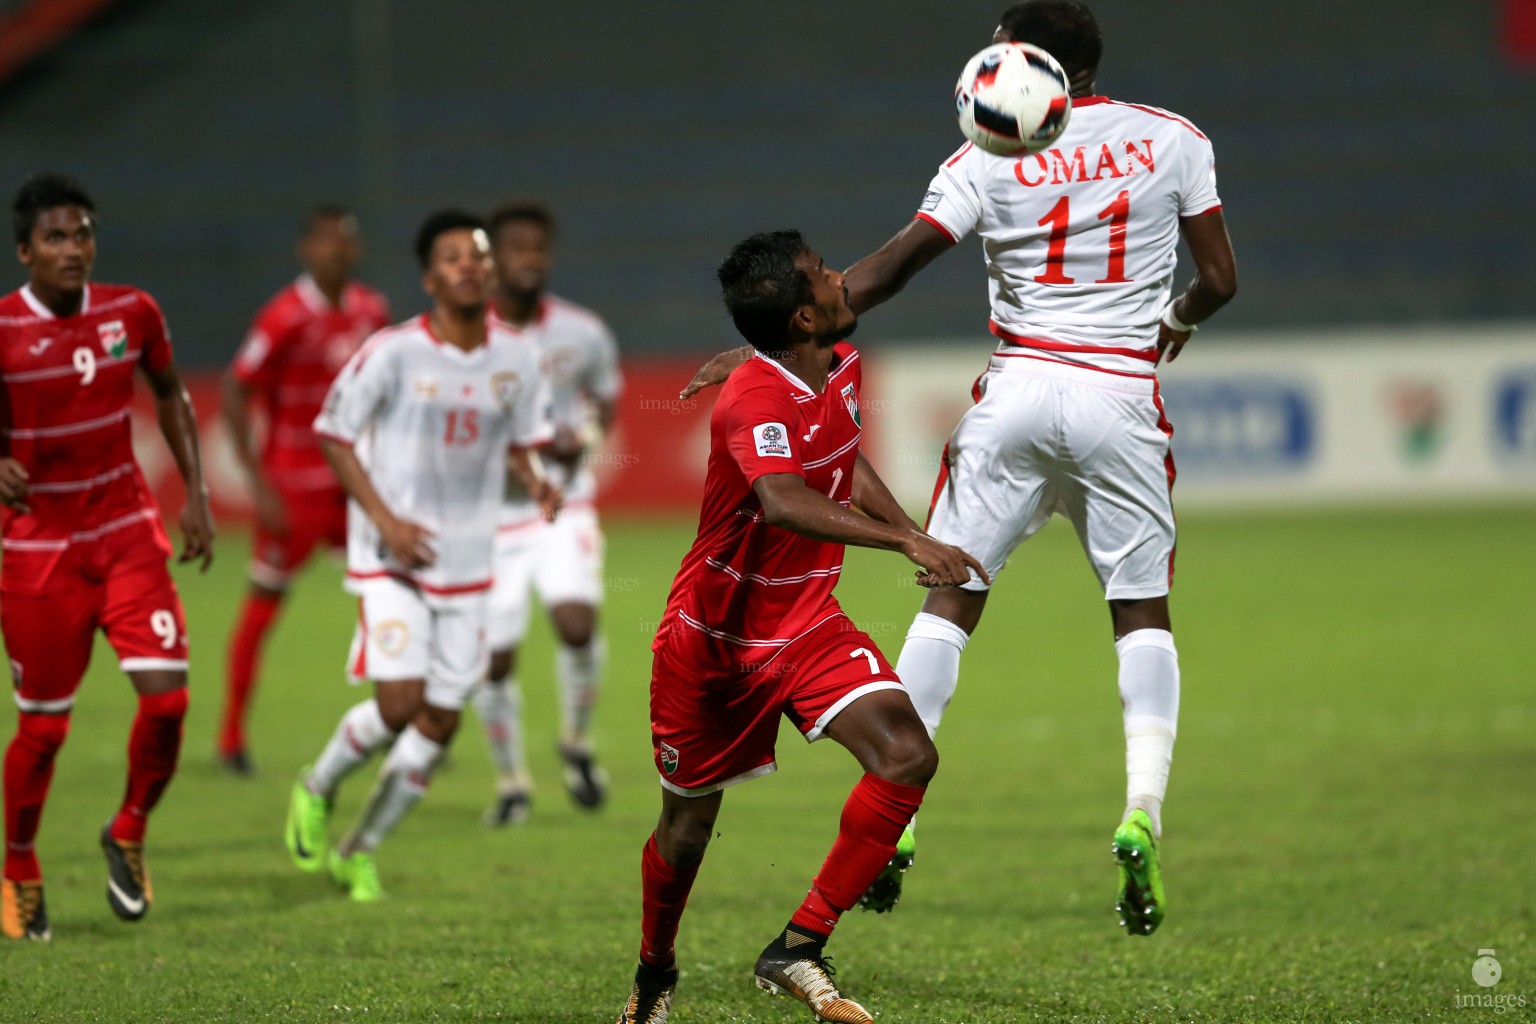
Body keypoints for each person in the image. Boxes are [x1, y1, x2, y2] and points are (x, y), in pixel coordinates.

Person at [680, 0, 1238, 936]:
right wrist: (1176, 319)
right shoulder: (1174, 141)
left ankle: (897, 816)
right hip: (1118, 399)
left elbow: (888, 271)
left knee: (951, 592)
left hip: (1015, 393)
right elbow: (1220, 280)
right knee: (1140, 612)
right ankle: (1143, 808)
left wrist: (776, 341)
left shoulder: (984, 156)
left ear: (1015, 62)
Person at [616, 230, 986, 1024]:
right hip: (714, 644)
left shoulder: (838, 365)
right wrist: (907, 541)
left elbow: (843, 458)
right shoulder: (752, 397)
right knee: (685, 833)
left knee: (907, 755)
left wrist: (907, 528)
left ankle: (799, 944)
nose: (839, 278)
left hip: (808, 620)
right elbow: (782, 498)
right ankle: (654, 970)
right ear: (804, 320)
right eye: (823, 276)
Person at [282, 210, 556, 902]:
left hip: (467, 564)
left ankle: (360, 848)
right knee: (402, 703)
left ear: (489, 272)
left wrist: (535, 479)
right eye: (453, 256)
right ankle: (317, 784)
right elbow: (335, 433)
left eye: (478, 255)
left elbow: (517, 438)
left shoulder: (517, 357)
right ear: (430, 277)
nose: (469, 265)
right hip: (392, 557)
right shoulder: (392, 352)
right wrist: (384, 519)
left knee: (440, 719)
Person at [0, 173, 216, 941]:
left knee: (167, 702)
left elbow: (171, 393)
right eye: (55, 237)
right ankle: (19, 864)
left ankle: (128, 828)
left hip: (125, 534)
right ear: (25, 251)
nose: (73, 248)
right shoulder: (2, 331)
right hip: (38, 555)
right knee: (45, 731)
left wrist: (194, 492)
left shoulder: (132, 311)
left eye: (83, 233)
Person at [218, 205, 390, 776]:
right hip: (293, 489)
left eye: (344, 241)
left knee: (391, 596)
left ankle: (399, 718)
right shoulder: (283, 317)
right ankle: (231, 736)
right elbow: (236, 390)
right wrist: (259, 481)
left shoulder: (372, 309)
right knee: (263, 609)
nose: (335, 251)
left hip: (354, 489)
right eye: (324, 242)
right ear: (305, 250)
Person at [473, 202, 622, 826]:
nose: (530, 259)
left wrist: (582, 440)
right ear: (492, 260)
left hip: (561, 504)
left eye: (539, 248)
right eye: (517, 248)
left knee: (576, 624)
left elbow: (606, 401)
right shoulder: (465, 337)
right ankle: (512, 783)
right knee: (494, 659)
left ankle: (577, 743)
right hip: (483, 519)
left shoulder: (582, 332)